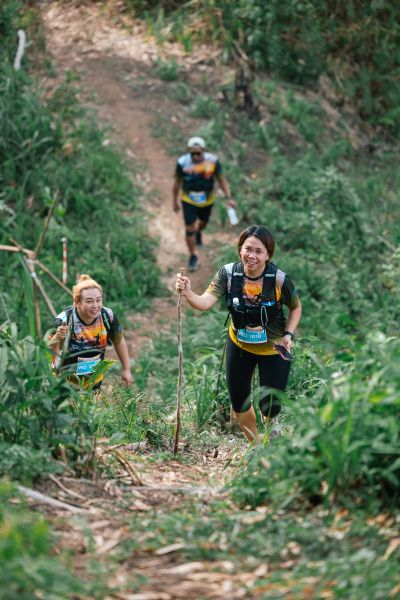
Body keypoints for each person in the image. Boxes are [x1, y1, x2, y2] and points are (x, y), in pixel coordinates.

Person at [175, 225, 302, 442]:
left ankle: (271, 431)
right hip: (240, 345)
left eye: (259, 251)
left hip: (274, 349)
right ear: (240, 249)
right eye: (248, 249)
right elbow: (204, 302)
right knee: (239, 402)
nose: (252, 255)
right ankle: (255, 446)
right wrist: (187, 292)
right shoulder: (228, 274)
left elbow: (296, 308)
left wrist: (288, 334)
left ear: (268, 255)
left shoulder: (279, 280)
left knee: (270, 405)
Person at [48, 274, 133, 389]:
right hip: (65, 384)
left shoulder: (107, 316)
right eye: (89, 301)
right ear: (77, 302)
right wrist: (57, 338)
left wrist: (126, 369)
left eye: (98, 300)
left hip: (94, 382)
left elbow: (118, 340)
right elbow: (48, 351)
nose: (95, 306)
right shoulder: (63, 320)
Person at [172, 136, 236, 272]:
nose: (195, 156)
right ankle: (192, 256)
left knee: (203, 222)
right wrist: (174, 201)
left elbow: (221, 180)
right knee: (189, 228)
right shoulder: (182, 162)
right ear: (189, 152)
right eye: (192, 154)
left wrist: (229, 197)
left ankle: (199, 231)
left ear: (203, 151)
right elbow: (177, 182)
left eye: (198, 153)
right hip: (188, 199)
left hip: (207, 200)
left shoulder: (213, 161)